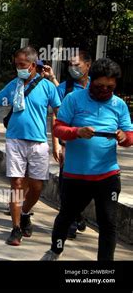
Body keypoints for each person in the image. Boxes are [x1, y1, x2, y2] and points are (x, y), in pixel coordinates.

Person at [41, 58, 133, 261]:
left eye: (110, 87)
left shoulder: (119, 104)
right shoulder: (73, 99)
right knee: (66, 216)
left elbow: (130, 135)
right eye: (100, 86)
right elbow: (58, 129)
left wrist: (125, 138)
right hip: (76, 175)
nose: (105, 90)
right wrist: (77, 132)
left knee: (108, 222)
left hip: (107, 175)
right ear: (91, 81)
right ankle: (55, 250)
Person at [0, 46, 61, 246]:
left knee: (36, 186)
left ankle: (26, 213)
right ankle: (16, 228)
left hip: (38, 142)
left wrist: (61, 140)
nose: (18, 68)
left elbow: (60, 112)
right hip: (15, 140)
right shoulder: (14, 85)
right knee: (17, 185)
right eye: (16, 64)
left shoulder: (47, 87)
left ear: (32, 65)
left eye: (22, 65)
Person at [52, 50, 92, 239]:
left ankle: (77, 214)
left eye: (77, 65)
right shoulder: (65, 89)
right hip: (69, 145)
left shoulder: (98, 87)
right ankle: (71, 223)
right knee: (66, 185)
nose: (73, 68)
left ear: (88, 65)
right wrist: (57, 145)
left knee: (90, 187)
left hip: (94, 149)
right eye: (70, 65)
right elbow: (56, 117)